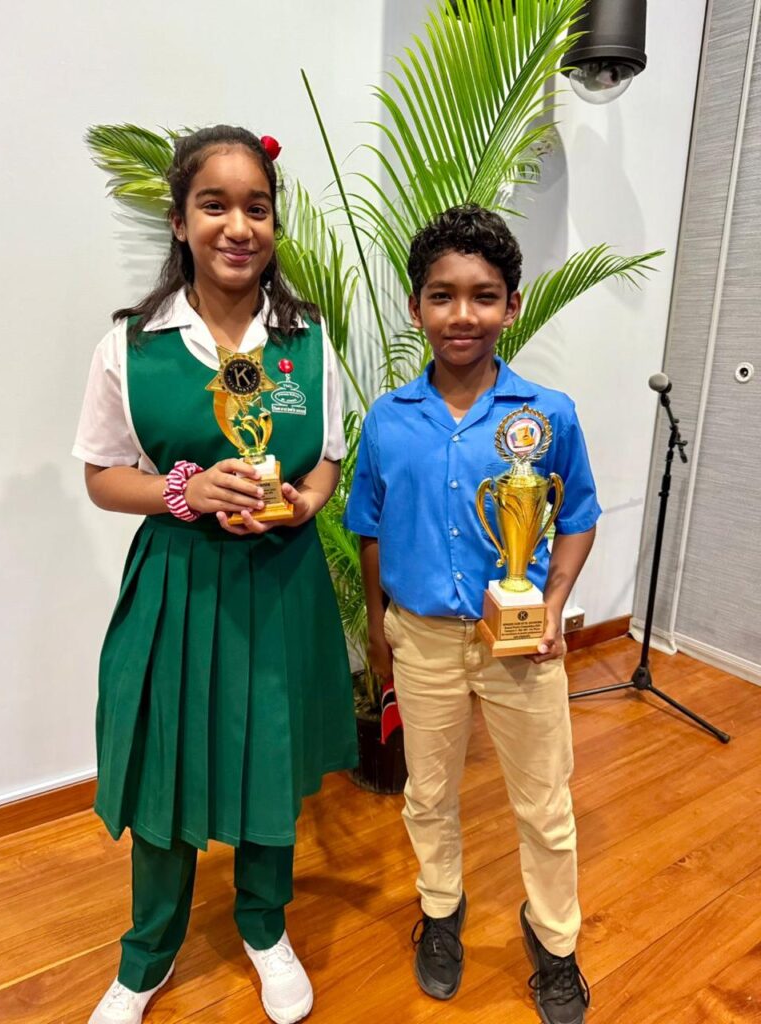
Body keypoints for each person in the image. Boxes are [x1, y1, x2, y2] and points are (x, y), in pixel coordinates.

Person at [73, 125, 357, 1024]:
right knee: (165, 764)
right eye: (215, 204)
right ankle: (146, 956)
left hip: (280, 581)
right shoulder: (130, 345)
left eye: (257, 207)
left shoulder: (308, 341)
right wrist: (185, 491)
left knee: (271, 757)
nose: (240, 226)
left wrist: (305, 504)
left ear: (274, 222)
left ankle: (266, 928)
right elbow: (102, 477)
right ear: (180, 220)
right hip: (179, 584)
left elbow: (327, 459)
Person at [344, 205, 601, 1024]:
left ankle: (555, 941)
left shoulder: (547, 415)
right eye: (442, 295)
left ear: (512, 305)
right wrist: (380, 635)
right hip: (421, 640)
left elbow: (578, 514)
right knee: (428, 793)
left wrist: (552, 606)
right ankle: (441, 908)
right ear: (416, 306)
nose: (463, 315)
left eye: (483, 296)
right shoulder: (388, 420)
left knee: (545, 802)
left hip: (521, 645)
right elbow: (369, 530)